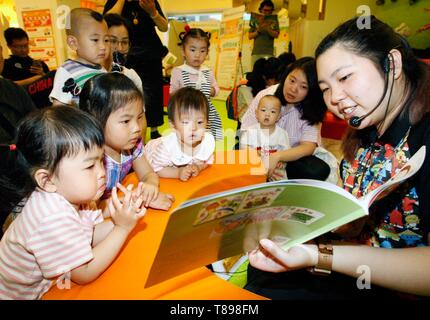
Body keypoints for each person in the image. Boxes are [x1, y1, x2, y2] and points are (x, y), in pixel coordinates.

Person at [246, 16, 430, 298]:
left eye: (344, 78)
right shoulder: (367, 129)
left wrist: (318, 255)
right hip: (346, 263)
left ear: (392, 64)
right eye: (325, 89)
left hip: (383, 282)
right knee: (260, 271)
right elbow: (355, 222)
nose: (335, 99)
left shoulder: (423, 133)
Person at [0, 106, 146, 299]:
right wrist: (121, 228)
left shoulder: (75, 196)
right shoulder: (51, 216)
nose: (102, 172)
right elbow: (84, 273)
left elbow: (88, 234)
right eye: (89, 166)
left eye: (101, 160)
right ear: (47, 180)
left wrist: (121, 217)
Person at [79, 72, 173, 210]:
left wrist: (150, 186)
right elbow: (92, 210)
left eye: (139, 117)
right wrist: (136, 199)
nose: (137, 128)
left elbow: (148, 174)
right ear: (96, 121)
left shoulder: (132, 145)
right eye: (126, 121)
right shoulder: (90, 159)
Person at [241, 57, 330, 181]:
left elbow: (308, 146)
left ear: (311, 91)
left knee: (318, 170)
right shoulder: (266, 96)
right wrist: (258, 155)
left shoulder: (311, 109)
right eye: (292, 80)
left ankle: (280, 179)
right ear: (286, 76)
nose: (293, 89)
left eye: (303, 87)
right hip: (259, 149)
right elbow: (246, 130)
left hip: (289, 156)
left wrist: (277, 157)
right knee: (239, 151)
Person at [104, 0, 168, 140]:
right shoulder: (115, 2)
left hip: (150, 55)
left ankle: (154, 128)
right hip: (127, 56)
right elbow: (106, 21)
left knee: (153, 94)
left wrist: (153, 12)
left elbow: (164, 27)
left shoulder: (150, 1)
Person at [144, 87, 215, 181]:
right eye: (185, 122)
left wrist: (199, 167)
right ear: (173, 125)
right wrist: (177, 173)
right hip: (150, 155)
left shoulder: (205, 142)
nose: (194, 128)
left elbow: (207, 161)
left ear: (207, 123)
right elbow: (157, 168)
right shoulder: (166, 148)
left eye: (200, 122)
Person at [170, 27, 223, 141]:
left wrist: (212, 90)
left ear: (207, 53)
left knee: (206, 140)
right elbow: (172, 93)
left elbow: (216, 88)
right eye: (193, 50)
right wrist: (183, 94)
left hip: (205, 114)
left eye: (202, 51)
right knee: (187, 141)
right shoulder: (178, 71)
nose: (197, 55)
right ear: (183, 51)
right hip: (186, 114)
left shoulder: (207, 72)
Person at [49, 8, 109, 106]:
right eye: (95, 40)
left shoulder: (102, 70)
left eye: (106, 40)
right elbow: (58, 109)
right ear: (73, 43)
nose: (103, 46)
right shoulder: (67, 71)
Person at [240, 94, 289, 180]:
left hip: (275, 170)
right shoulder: (251, 131)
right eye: (263, 110)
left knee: (280, 179)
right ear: (256, 113)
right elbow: (243, 147)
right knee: (248, 179)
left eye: (273, 112)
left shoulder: (282, 134)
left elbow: (286, 152)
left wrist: (282, 162)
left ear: (278, 117)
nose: (267, 114)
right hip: (255, 168)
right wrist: (253, 153)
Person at [103, 13, 143, 92]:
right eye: (113, 41)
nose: (120, 48)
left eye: (124, 42)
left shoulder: (132, 76)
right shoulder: (91, 74)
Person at [248, 0, 280, 67]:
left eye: (270, 11)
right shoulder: (256, 20)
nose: (267, 13)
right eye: (265, 10)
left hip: (268, 53)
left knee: (267, 73)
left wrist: (268, 28)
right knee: (255, 73)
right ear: (261, 10)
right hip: (256, 53)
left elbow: (276, 35)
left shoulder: (274, 21)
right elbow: (250, 36)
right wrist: (258, 30)